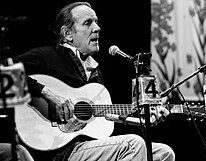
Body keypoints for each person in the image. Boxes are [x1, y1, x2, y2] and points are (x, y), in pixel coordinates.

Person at [1, 2, 175, 161]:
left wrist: (144, 116)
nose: (97, 28)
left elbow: (105, 122)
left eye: (96, 22)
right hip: (56, 149)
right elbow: (3, 71)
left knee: (164, 153)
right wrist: (46, 92)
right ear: (67, 34)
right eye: (88, 23)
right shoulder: (46, 56)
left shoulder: (95, 73)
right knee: (134, 144)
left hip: (87, 147)